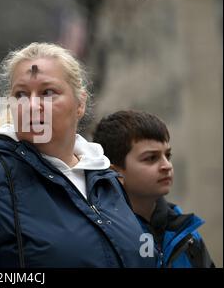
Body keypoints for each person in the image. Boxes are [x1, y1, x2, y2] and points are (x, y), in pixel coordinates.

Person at [0, 43, 156, 268]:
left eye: (47, 92)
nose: (32, 105)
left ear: (80, 104)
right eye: (21, 94)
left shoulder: (107, 180)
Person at [92, 110, 215, 268]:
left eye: (168, 156)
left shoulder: (185, 232)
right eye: (151, 158)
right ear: (114, 173)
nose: (167, 166)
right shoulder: (100, 237)